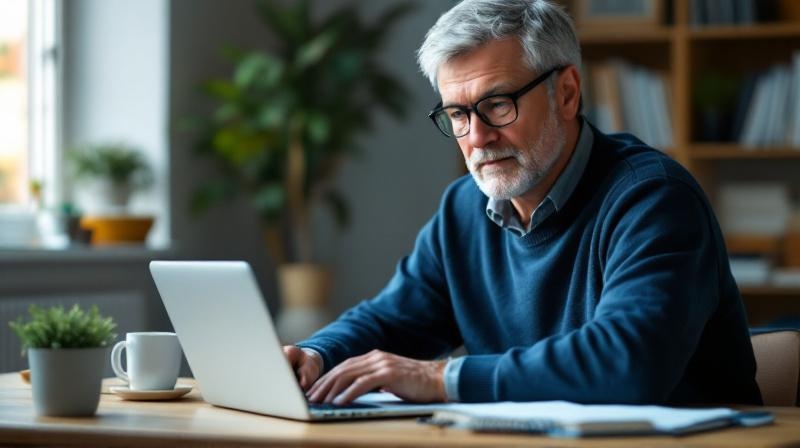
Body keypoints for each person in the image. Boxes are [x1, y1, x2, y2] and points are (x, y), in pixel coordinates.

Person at [283, 0, 761, 406]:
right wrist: (317, 354)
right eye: (457, 114)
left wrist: (439, 378)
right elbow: (393, 318)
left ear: (567, 94)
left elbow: (627, 360)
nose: (478, 137)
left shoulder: (653, 199)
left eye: (497, 105)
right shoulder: (464, 208)